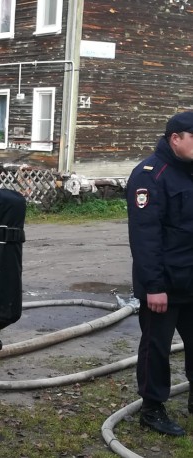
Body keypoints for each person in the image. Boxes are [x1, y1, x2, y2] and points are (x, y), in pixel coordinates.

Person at [127, 110, 193, 436]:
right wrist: (153, 285)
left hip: (192, 280)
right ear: (175, 138)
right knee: (156, 348)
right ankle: (152, 409)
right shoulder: (150, 175)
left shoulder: (190, 171)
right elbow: (145, 237)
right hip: (163, 284)